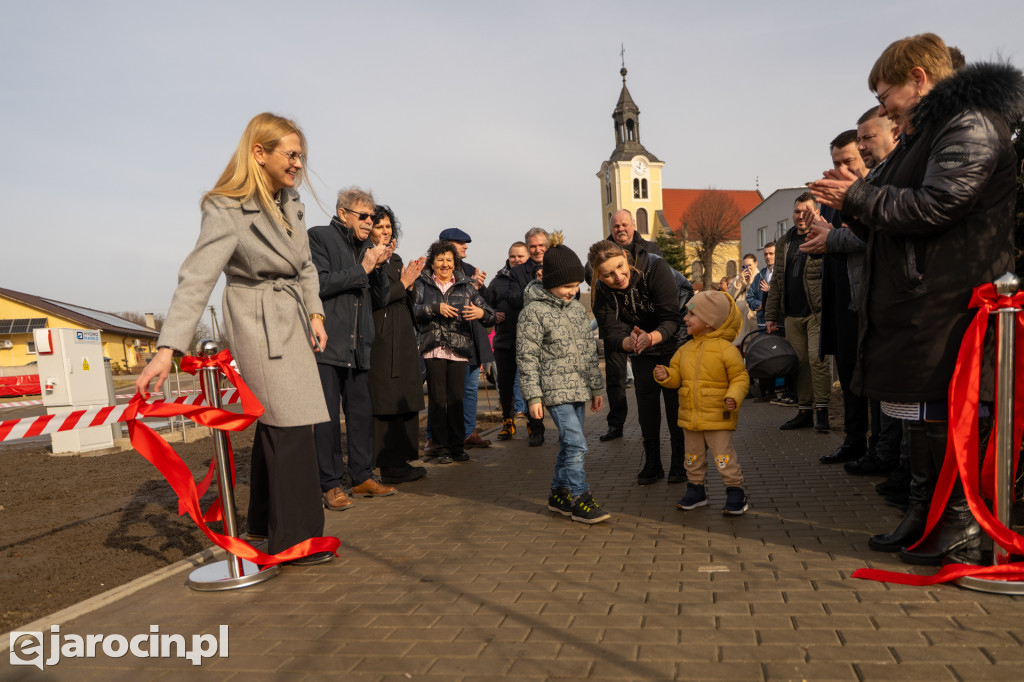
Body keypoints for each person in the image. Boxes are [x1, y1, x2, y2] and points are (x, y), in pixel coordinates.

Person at [810, 32, 1024, 565]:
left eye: (885, 95)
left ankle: (959, 521)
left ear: (919, 79)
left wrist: (857, 196)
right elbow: (893, 213)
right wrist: (855, 200)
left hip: (952, 297)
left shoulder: (969, 124)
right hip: (926, 296)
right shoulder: (930, 131)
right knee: (926, 413)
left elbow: (937, 205)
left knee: (947, 413)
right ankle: (926, 512)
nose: (883, 108)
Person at [135, 112, 333, 566]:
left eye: (301, 156)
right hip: (258, 321)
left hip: (294, 318)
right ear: (259, 153)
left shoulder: (291, 202)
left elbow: (305, 266)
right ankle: (295, 541)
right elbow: (197, 278)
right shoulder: (225, 208)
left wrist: (316, 313)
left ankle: (265, 522)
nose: (298, 164)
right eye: (291, 154)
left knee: (284, 421)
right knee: (289, 424)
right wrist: (168, 349)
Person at [309, 187, 397, 511]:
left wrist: (379, 267)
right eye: (363, 216)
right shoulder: (319, 237)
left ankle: (361, 476)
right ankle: (330, 484)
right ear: (343, 213)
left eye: (372, 216)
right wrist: (363, 269)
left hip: (359, 346)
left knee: (360, 416)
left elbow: (380, 299)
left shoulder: (367, 248)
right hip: (329, 344)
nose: (369, 221)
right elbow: (318, 284)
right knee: (328, 421)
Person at [517, 233, 609, 524]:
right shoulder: (533, 312)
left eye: (577, 285)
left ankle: (558, 493)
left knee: (570, 445)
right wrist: (533, 397)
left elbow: (589, 351)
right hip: (554, 392)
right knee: (577, 444)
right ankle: (581, 498)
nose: (573, 291)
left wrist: (596, 387)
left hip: (579, 389)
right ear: (550, 281)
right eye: (567, 286)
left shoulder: (578, 310)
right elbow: (527, 357)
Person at [590, 240, 686, 486]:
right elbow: (610, 332)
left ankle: (680, 460)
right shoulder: (601, 289)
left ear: (625, 256)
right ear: (598, 276)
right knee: (646, 400)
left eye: (620, 267)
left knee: (675, 400)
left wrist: (651, 337)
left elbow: (672, 317)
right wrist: (629, 343)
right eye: (608, 274)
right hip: (640, 342)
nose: (618, 277)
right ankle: (652, 461)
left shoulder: (655, 267)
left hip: (674, 338)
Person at [654, 291, 750, 514]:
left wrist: (734, 396)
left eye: (691, 314)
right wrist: (666, 375)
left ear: (709, 321)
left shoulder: (727, 350)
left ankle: (736, 492)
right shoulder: (684, 350)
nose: (685, 318)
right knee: (692, 457)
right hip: (691, 416)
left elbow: (740, 377)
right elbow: (677, 376)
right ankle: (696, 491)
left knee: (724, 457)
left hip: (718, 416)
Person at [413, 240, 496, 464]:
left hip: (459, 348)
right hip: (432, 348)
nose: (445, 264)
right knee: (438, 399)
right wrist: (434, 308)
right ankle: (441, 447)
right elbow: (413, 310)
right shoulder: (422, 283)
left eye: (449, 260)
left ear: (455, 263)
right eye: (440, 260)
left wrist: (480, 313)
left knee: (456, 399)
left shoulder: (465, 286)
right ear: (432, 263)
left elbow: (490, 314)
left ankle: (457, 446)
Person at [586, 209, 664, 444]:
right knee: (615, 378)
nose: (620, 229)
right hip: (615, 324)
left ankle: (648, 426)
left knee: (647, 380)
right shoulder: (601, 251)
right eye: (616, 226)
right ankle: (615, 424)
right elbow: (591, 276)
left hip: (646, 324)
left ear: (633, 225)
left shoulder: (651, 249)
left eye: (624, 225)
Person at [368, 205, 427, 484]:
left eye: (388, 226)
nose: (385, 231)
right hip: (383, 339)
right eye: (379, 226)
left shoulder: (396, 258)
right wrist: (403, 283)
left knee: (406, 396)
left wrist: (410, 287)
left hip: (403, 336)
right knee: (388, 400)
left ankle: (403, 460)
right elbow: (375, 298)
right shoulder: (367, 258)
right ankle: (389, 465)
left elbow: (405, 296)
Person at [764, 193, 830, 432]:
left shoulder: (824, 235)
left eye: (806, 211)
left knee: (817, 359)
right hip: (791, 314)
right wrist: (771, 315)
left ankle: (822, 412)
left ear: (815, 212)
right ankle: (804, 412)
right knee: (799, 363)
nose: (800, 216)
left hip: (816, 312)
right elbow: (777, 282)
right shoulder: (785, 241)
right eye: (797, 211)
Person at [436, 228, 493, 449]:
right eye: (460, 243)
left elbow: (485, 303)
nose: (465, 246)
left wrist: (479, 289)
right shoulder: (432, 269)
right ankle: (436, 438)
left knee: (469, 390)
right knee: (442, 394)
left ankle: (468, 432)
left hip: (472, 340)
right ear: (446, 245)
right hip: (446, 341)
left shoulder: (470, 270)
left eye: (465, 243)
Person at [507, 227, 549, 446]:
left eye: (542, 245)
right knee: (532, 383)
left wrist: (549, 282)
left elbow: (574, 293)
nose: (538, 249)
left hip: (554, 335)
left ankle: (565, 428)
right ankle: (536, 429)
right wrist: (536, 286)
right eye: (533, 246)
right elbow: (514, 299)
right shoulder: (517, 272)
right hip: (530, 335)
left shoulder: (557, 265)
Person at [486, 241, 529, 440]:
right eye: (513, 256)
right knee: (505, 384)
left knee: (530, 384)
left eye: (520, 256)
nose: (516, 259)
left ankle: (534, 424)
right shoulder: (497, 281)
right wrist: (493, 314)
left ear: (527, 257)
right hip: (504, 340)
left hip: (529, 342)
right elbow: (486, 307)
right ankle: (508, 422)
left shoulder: (534, 277)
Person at [729, 253, 759, 346]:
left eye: (750, 265)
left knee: (756, 345)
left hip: (754, 319)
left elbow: (758, 295)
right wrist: (739, 282)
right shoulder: (739, 277)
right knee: (742, 346)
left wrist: (749, 283)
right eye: (744, 266)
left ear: (756, 264)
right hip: (741, 320)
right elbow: (729, 296)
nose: (747, 268)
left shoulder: (760, 276)